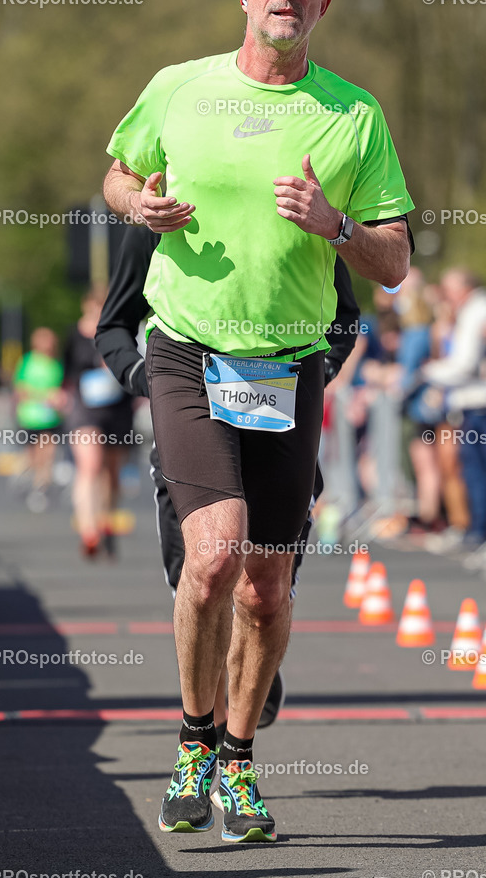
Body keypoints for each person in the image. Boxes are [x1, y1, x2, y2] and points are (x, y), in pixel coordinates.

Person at [102, 0, 413, 843]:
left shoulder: (353, 115)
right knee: (211, 557)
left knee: (266, 588)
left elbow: (393, 261)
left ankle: (236, 759)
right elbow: (117, 173)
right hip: (188, 350)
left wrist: (334, 225)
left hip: (288, 362)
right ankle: (194, 740)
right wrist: (137, 203)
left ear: (323, 1)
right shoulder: (179, 89)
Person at [94, 223, 361, 736]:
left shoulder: (299, 211)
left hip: (278, 418)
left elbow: (344, 315)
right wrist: (148, 379)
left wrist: (315, 376)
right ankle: (209, 742)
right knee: (206, 575)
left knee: (261, 594)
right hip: (189, 421)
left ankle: (245, 697)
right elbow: (113, 326)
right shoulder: (159, 216)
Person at [421, 269, 486, 546]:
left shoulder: (477, 309)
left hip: (480, 402)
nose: (447, 295)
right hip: (470, 402)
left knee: (482, 469)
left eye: (449, 289)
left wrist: (428, 372)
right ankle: (480, 527)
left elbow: (465, 363)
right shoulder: (470, 310)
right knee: (470, 468)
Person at [63, 288, 134, 558]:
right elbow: (65, 369)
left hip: (117, 407)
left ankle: (106, 522)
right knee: (90, 466)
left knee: (112, 473)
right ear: (86, 306)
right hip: (85, 408)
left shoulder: (121, 331)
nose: (99, 312)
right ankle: (88, 530)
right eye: (95, 307)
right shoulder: (74, 335)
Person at [13, 327, 65, 512]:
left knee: (48, 453)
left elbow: (61, 389)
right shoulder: (28, 361)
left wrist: (60, 399)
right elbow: (20, 390)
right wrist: (44, 397)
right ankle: (23, 475)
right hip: (30, 417)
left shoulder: (57, 364)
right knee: (33, 457)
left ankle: (39, 490)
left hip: (50, 419)